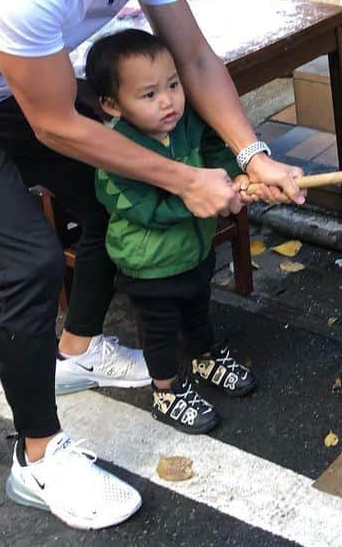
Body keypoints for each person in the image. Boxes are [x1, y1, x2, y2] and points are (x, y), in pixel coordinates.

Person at [0, 0, 304, 529]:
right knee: (31, 263)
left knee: (103, 198)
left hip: (8, 85)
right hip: (15, 94)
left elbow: (192, 55)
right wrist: (182, 177)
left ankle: (78, 347)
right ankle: (36, 457)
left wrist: (252, 152)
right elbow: (56, 124)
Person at [86, 30, 256, 435]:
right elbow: (147, 210)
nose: (168, 101)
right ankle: (166, 389)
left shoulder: (184, 124)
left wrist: (234, 178)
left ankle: (202, 355)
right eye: (149, 95)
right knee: (160, 333)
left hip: (193, 250)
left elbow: (215, 149)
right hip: (148, 264)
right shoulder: (112, 152)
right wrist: (201, 198)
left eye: (174, 85)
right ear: (112, 104)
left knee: (198, 306)